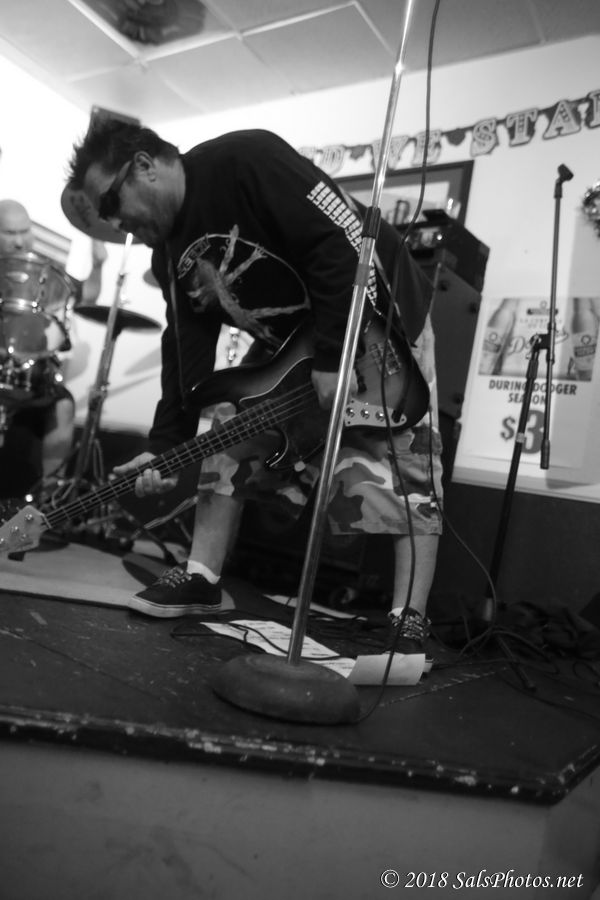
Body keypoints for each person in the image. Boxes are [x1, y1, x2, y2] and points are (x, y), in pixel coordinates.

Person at [67, 121, 444, 659]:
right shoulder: (168, 256)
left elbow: (341, 241)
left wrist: (334, 355)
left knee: (404, 454)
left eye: (111, 202)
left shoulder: (246, 161)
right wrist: (165, 446)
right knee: (232, 426)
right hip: (290, 340)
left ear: (145, 166)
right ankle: (201, 577)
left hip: (379, 314)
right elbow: (185, 357)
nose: (114, 223)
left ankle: (409, 617)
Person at [0, 199, 106, 497]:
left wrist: (98, 265)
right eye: (10, 233)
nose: (20, 241)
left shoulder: (44, 271)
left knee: (63, 403)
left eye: (24, 231)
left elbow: (88, 294)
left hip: (27, 376)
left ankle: (47, 502)